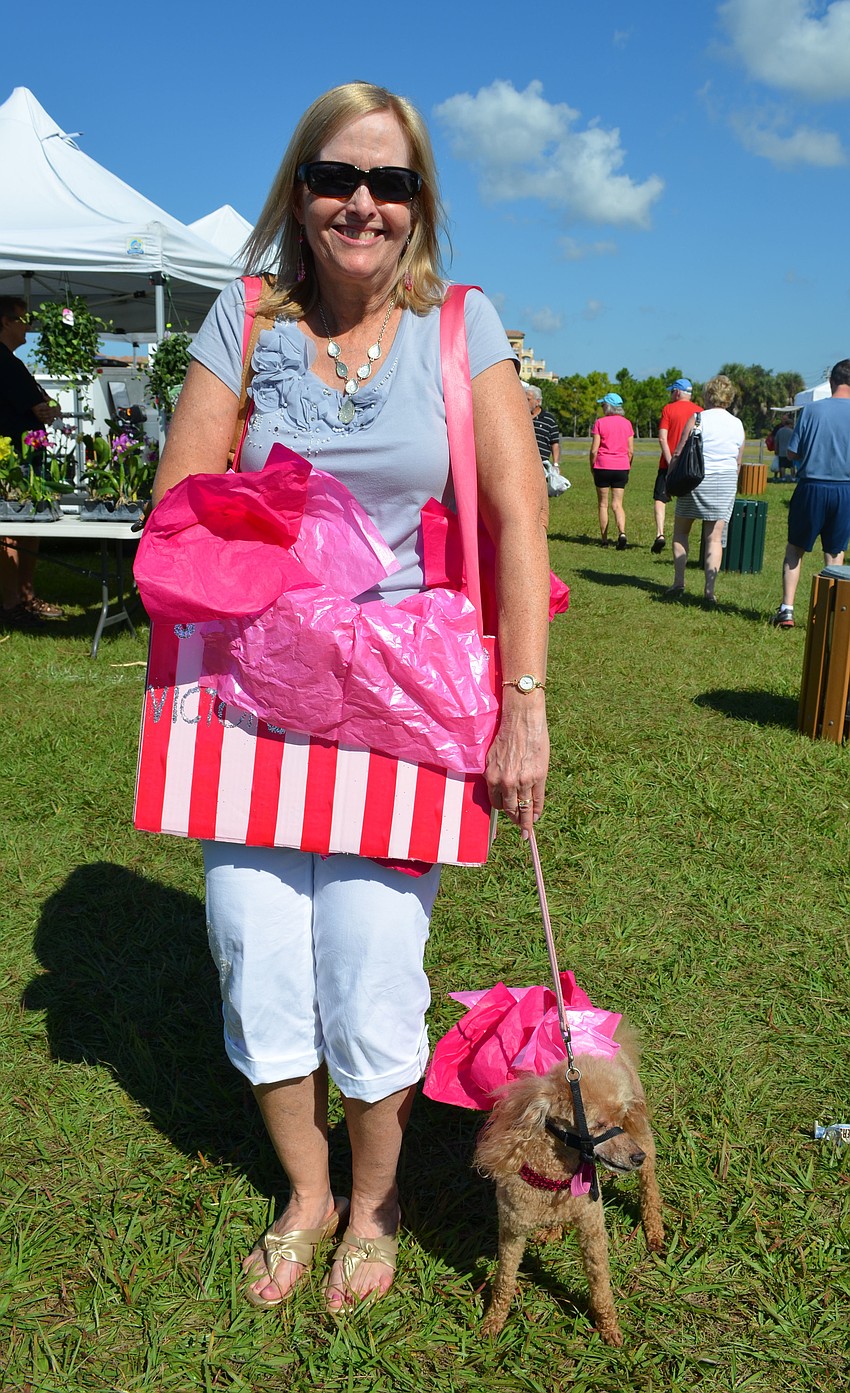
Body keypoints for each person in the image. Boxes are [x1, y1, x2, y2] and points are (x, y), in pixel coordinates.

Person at [149, 82, 551, 1311]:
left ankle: (373, 1211)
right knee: (254, 952)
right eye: (336, 178)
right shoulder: (245, 318)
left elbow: (516, 513)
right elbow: (180, 501)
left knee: (372, 963)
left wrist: (524, 701)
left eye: (390, 183)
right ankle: (309, 1193)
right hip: (256, 695)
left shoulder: (459, 326)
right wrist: (284, 547)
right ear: (301, 190)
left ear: (419, 204)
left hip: (404, 699)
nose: (361, 204)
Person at [771, 360, 850, 629]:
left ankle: (787, 609)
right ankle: (832, 614)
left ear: (832, 382)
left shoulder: (811, 411)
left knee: (795, 548)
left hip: (811, 487)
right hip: (845, 490)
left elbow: (792, 453)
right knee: (835, 551)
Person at [0, 296, 63, 628]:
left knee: (24, 527)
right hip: (14, 461)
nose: (29, 326)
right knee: (13, 528)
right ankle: (14, 602)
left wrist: (46, 406)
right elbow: (42, 407)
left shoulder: (11, 361)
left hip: (22, 458)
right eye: (24, 320)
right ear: (6, 322)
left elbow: (44, 402)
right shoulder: (4, 362)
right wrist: (45, 408)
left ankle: (22, 597)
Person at [664, 374, 744, 606]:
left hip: (695, 479)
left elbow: (679, 452)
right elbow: (737, 462)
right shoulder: (737, 424)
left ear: (708, 395)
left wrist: (669, 479)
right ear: (728, 398)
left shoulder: (698, 418)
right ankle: (710, 592)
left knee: (681, 532)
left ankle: (679, 582)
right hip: (725, 481)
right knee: (714, 538)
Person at [653, 378, 702, 553]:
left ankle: (660, 534)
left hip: (668, 463)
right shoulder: (700, 411)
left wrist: (669, 462)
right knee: (688, 500)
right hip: (691, 464)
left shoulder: (668, 409)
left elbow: (662, 438)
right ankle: (685, 536)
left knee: (661, 498)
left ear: (677, 392)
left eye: (672, 391)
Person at [589, 392, 633, 548]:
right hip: (621, 467)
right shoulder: (627, 424)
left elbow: (594, 450)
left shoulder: (600, 423)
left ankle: (604, 539)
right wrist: (627, 466)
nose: (601, 408)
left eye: (602, 405)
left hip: (602, 465)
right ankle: (622, 533)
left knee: (603, 504)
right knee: (617, 504)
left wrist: (592, 466)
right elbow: (630, 451)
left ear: (607, 407)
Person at [773, 412, 795, 482]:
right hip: (790, 451)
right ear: (790, 424)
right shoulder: (792, 432)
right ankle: (793, 477)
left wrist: (776, 450)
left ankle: (782, 477)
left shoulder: (779, 431)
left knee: (782, 465)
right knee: (791, 466)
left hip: (781, 451)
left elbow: (776, 441)